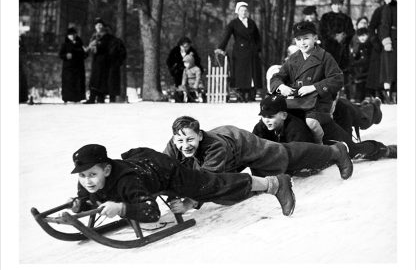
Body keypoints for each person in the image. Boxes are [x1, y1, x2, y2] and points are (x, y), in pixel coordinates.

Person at [69, 144, 296, 221]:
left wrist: (121, 208)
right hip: (142, 163)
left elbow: (151, 212)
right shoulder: (87, 181)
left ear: (106, 169)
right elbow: (91, 198)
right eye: (82, 175)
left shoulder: (127, 182)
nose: (87, 181)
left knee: (213, 185)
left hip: (165, 171)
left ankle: (274, 184)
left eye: (92, 174)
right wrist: (80, 205)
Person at [163, 116, 353, 181]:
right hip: (228, 154)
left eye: (190, 139)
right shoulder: (176, 143)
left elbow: (205, 180)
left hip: (240, 143)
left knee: (284, 154)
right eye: (180, 141)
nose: (185, 145)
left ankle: (336, 152)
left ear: (200, 135)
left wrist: (189, 202)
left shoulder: (215, 147)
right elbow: (163, 166)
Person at [252, 94, 396, 161]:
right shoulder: (263, 124)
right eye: (263, 117)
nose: (266, 120)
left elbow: (300, 156)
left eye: (270, 117)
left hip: (329, 122)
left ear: (283, 115)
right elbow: (253, 147)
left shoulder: (295, 128)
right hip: (321, 120)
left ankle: (383, 149)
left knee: (351, 150)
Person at [270, 21, 344, 145]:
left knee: (311, 121)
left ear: (315, 38)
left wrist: (314, 87)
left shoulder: (325, 57)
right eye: (298, 39)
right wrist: (281, 86)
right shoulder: (293, 58)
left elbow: (338, 79)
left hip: (319, 103)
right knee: (276, 117)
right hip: (297, 101)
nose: (302, 43)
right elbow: (276, 77)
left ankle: (319, 146)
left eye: (306, 38)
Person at [215, 2, 262, 102]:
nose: (244, 12)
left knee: (252, 73)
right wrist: (221, 47)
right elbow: (226, 36)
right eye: (242, 10)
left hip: (252, 53)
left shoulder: (252, 22)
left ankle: (251, 94)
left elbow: (257, 37)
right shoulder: (233, 23)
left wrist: (258, 48)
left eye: (245, 10)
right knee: (241, 74)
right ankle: (241, 94)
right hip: (240, 53)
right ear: (237, 12)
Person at [319, 0, 355, 99]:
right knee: (328, 71)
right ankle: (327, 93)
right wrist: (334, 37)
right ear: (331, 5)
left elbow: (351, 31)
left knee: (343, 72)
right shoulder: (325, 17)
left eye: (339, 4)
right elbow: (321, 32)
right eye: (335, 4)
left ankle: (344, 94)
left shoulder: (346, 18)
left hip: (343, 50)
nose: (337, 6)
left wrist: (343, 36)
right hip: (329, 49)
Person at [84, 18, 114, 104]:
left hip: (104, 61)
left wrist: (96, 47)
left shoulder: (107, 36)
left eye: (100, 25)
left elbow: (106, 47)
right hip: (96, 60)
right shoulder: (94, 36)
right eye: (97, 25)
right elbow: (90, 47)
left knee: (101, 79)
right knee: (94, 79)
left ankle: (100, 98)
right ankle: (92, 98)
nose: (99, 27)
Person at [58, 27, 87, 103]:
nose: (72, 36)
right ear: (67, 36)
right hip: (69, 68)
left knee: (78, 83)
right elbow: (61, 54)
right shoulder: (65, 44)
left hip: (78, 67)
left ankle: (78, 98)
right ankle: (67, 98)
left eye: (73, 34)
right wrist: (66, 56)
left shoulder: (80, 43)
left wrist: (83, 53)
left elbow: (85, 54)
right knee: (68, 83)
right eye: (70, 35)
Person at [379, 0, 397, 104]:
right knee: (389, 71)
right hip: (392, 42)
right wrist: (386, 41)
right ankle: (388, 96)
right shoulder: (389, 7)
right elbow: (384, 25)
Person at [350, 27, 372, 103]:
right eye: (360, 36)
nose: (362, 38)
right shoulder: (359, 46)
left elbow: (365, 59)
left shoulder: (370, 45)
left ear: (368, 35)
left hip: (368, 72)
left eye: (364, 35)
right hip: (360, 72)